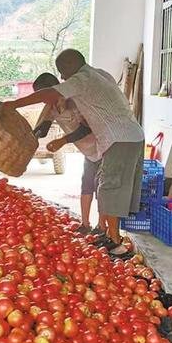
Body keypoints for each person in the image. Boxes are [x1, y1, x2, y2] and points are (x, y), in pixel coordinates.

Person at [4, 50, 144, 256]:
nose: (62, 77)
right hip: (127, 136)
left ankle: (116, 244)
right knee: (109, 188)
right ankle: (108, 235)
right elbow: (44, 120)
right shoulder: (99, 75)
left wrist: (13, 104)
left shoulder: (82, 79)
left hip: (120, 138)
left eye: (62, 71)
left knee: (110, 189)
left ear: (72, 65)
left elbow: (50, 93)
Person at [31, 72, 106, 236]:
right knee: (86, 185)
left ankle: (102, 227)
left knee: (102, 189)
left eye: (44, 95)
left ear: (54, 90)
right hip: (89, 152)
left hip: (103, 147)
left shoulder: (76, 102)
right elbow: (44, 127)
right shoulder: (52, 107)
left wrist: (63, 141)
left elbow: (86, 128)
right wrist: (33, 135)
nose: (43, 100)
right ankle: (85, 224)